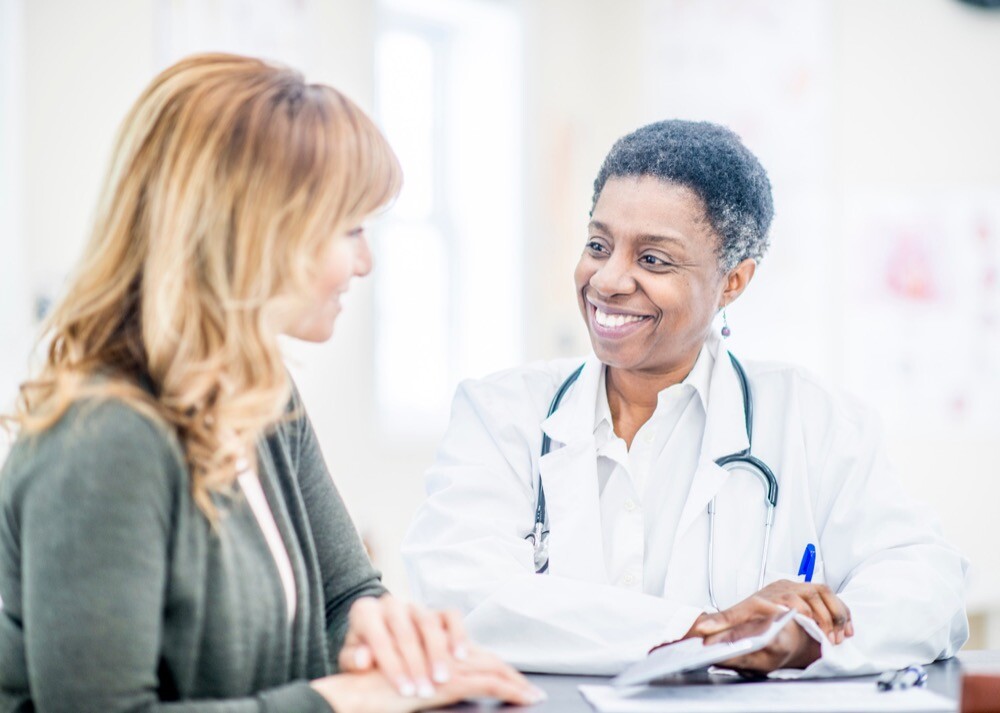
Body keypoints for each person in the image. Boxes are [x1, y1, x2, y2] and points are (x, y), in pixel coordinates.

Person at [0, 54, 544, 712]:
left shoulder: (260, 388)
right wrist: (345, 697)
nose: (363, 263)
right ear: (255, 234)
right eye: (350, 230)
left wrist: (390, 640)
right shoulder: (102, 440)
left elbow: (345, 593)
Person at [402, 120, 969, 676]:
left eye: (653, 259)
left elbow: (928, 584)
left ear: (733, 282)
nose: (607, 280)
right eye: (599, 245)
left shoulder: (814, 419)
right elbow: (462, 595)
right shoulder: (500, 414)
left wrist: (808, 639)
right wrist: (711, 632)